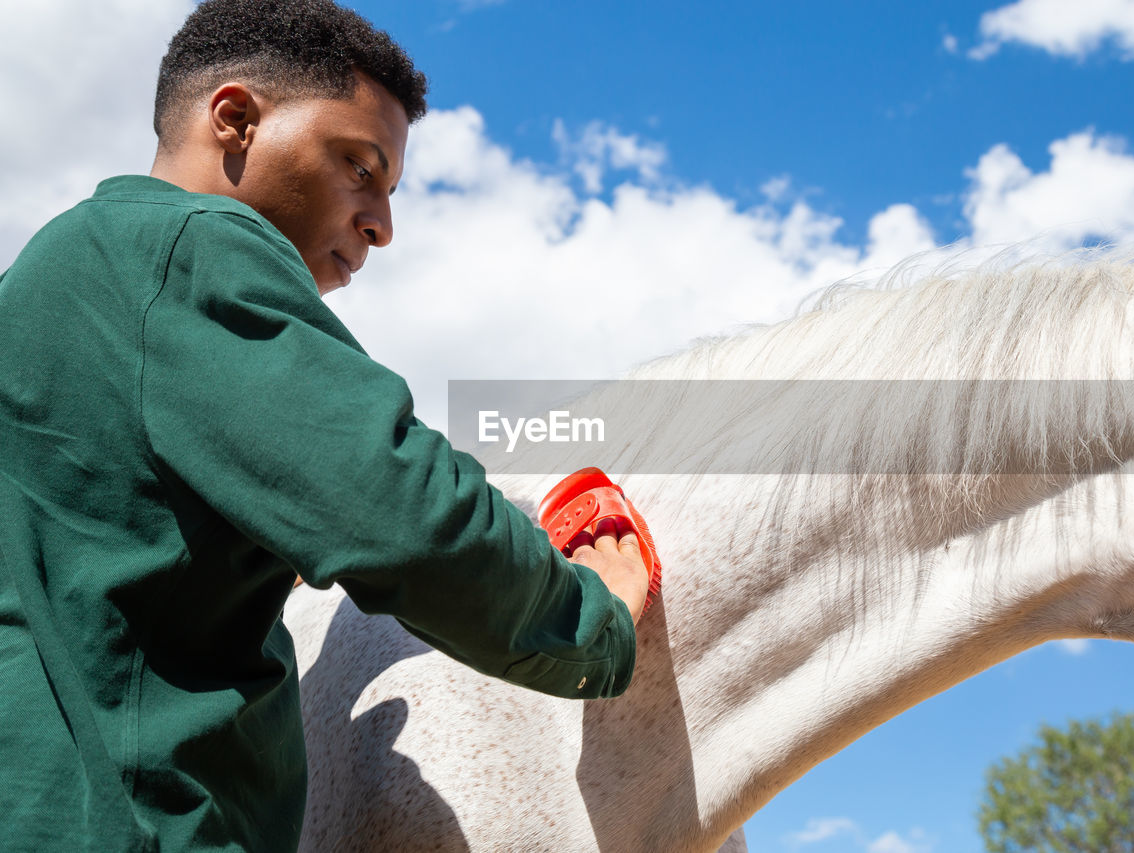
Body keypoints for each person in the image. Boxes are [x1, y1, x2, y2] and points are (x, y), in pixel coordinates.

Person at [0, 1, 649, 850]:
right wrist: (595, 621)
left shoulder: (46, 284)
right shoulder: (186, 249)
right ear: (235, 120)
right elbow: (406, 511)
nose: (382, 224)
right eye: (360, 167)